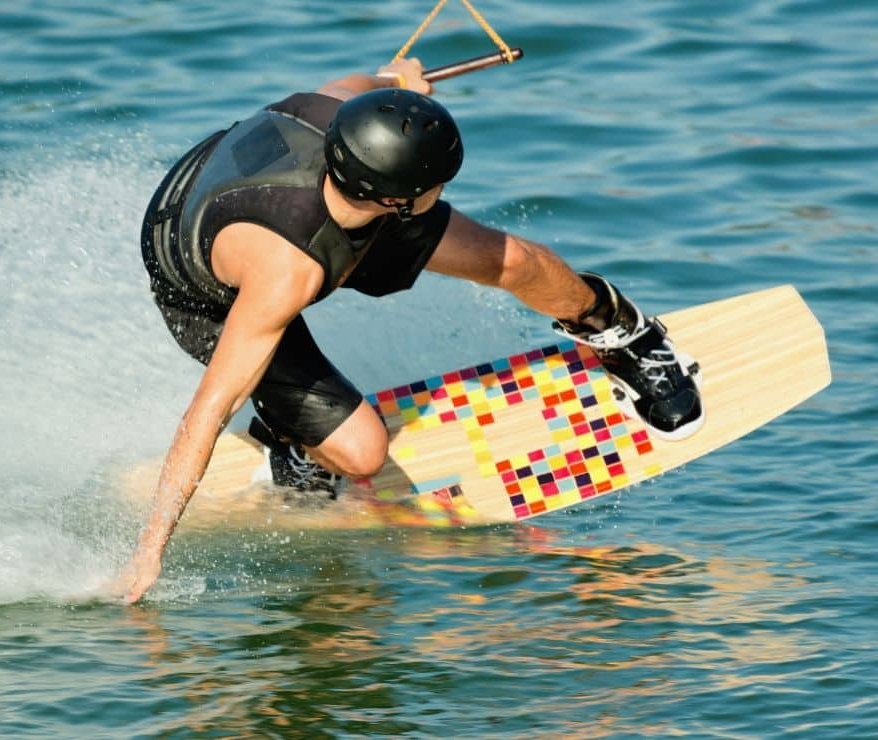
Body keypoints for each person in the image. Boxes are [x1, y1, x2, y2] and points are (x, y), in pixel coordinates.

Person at [119, 58, 703, 603]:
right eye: (438, 182)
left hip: (276, 186)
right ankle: (288, 439)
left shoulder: (332, 114)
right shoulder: (285, 272)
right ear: (400, 197)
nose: (445, 189)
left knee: (514, 261)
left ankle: (623, 332)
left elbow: (360, 84)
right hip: (201, 282)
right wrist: (150, 556)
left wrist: (398, 83)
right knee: (362, 453)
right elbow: (207, 411)